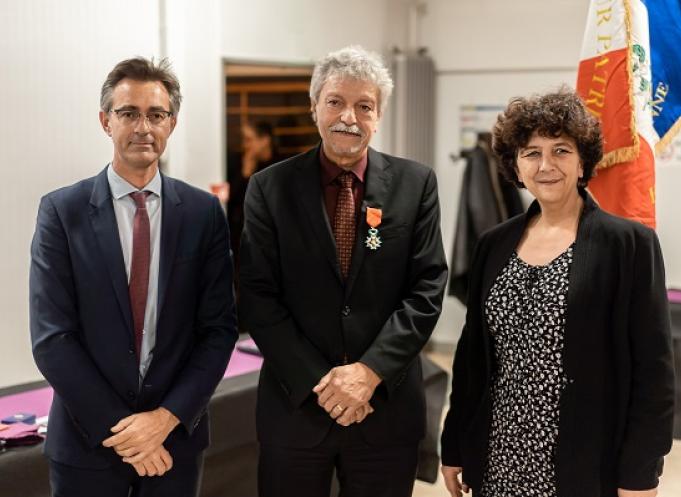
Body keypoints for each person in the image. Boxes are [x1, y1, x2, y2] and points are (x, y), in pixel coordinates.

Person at [440, 89, 675, 497]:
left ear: (582, 160)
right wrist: (454, 444)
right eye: (531, 153)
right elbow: (472, 356)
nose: (546, 165)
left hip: (583, 461)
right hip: (498, 457)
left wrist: (641, 474)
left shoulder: (628, 244)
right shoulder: (493, 244)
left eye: (561, 150)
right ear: (515, 163)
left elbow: (653, 372)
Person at [238, 45, 448, 497]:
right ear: (314, 107)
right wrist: (326, 385)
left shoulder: (416, 184)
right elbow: (257, 293)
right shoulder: (269, 188)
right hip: (296, 408)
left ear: (379, 115)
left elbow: (427, 287)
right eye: (335, 101)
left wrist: (369, 373)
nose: (348, 117)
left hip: (384, 410)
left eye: (364, 105)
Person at [29, 57, 237, 497]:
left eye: (156, 114)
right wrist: (129, 435)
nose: (144, 127)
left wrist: (163, 420)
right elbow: (52, 338)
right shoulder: (61, 213)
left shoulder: (203, 215)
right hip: (87, 444)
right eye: (129, 113)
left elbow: (218, 331)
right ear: (106, 121)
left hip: (174, 441)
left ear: (172, 123)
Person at [227, 121, 280, 271]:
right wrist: (245, 174)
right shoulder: (239, 163)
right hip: (242, 239)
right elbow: (231, 202)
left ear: (265, 140)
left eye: (249, 140)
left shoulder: (281, 167)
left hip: (271, 241)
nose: (245, 145)